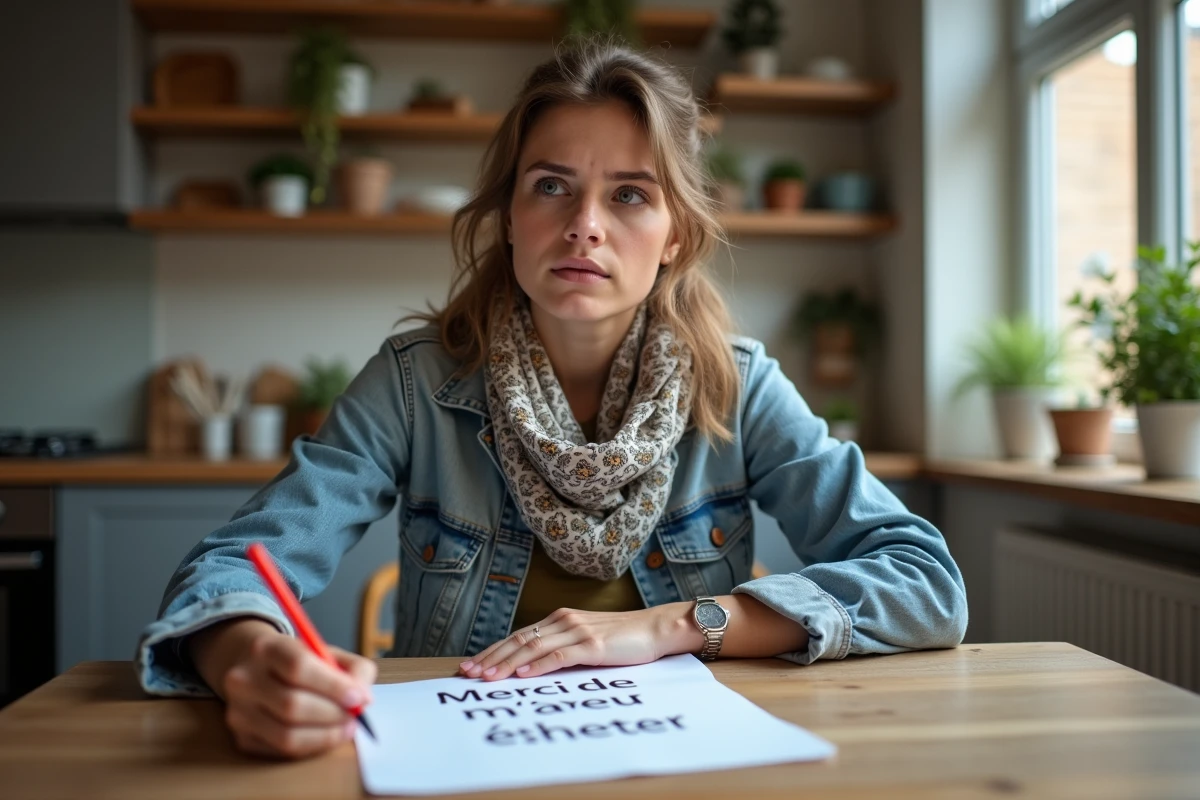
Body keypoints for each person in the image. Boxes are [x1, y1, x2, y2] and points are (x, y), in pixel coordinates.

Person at [135, 39, 967, 761]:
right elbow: (229, 569)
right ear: (508, 216)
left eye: (630, 194)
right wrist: (246, 663)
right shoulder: (414, 384)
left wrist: (674, 625)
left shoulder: (738, 386)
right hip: (466, 758)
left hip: (680, 758)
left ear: (676, 234)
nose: (585, 226)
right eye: (550, 186)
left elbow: (925, 581)